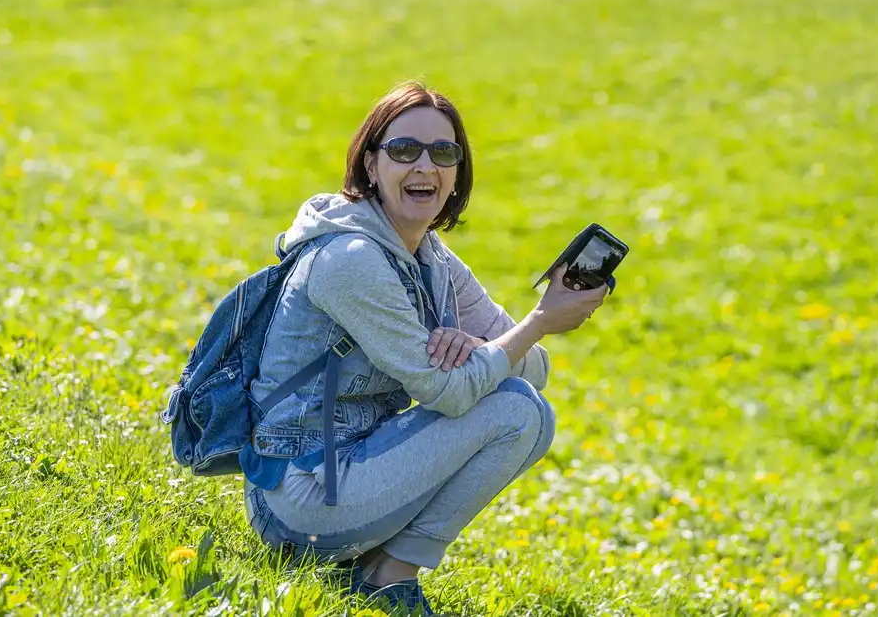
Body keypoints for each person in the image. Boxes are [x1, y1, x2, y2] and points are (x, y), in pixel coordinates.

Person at [242, 81, 609, 615]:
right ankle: (385, 577)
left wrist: (482, 344)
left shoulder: (430, 256)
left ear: (457, 172)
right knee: (515, 410)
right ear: (371, 165)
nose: (425, 166)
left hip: (357, 471)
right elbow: (451, 393)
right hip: (300, 497)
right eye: (404, 150)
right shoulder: (350, 260)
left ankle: (386, 570)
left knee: (527, 409)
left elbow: (535, 369)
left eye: (443, 153)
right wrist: (539, 321)